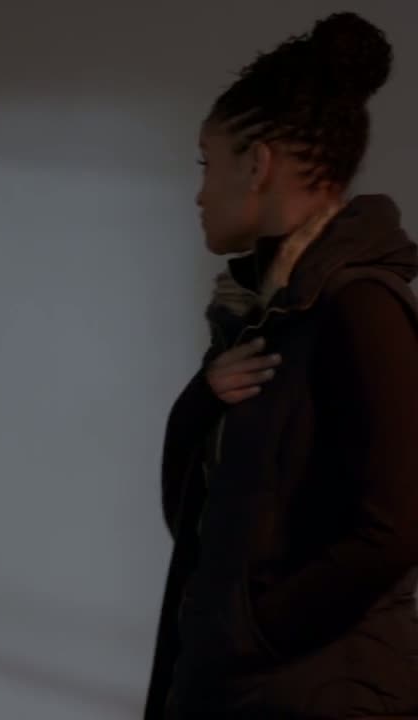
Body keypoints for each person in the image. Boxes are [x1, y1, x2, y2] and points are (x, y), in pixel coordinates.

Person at [144, 11, 418, 719]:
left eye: (207, 164)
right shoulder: (266, 316)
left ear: (257, 164)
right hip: (246, 689)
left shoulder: (359, 306)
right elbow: (201, 524)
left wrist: (255, 633)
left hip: (321, 694)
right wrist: (201, 400)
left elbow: (394, 529)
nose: (200, 191)